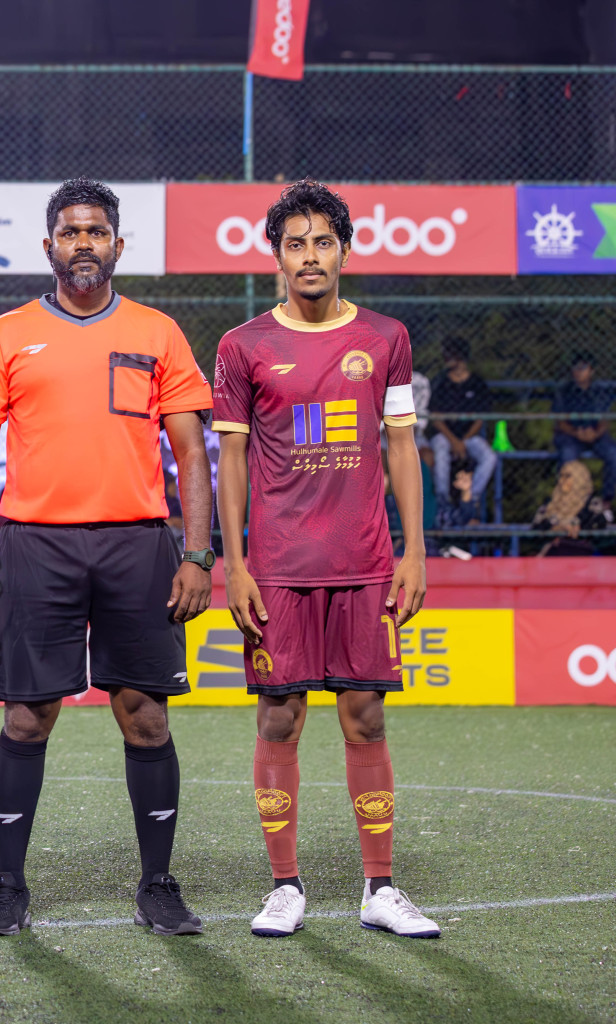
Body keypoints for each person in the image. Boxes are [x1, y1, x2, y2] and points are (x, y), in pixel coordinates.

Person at [0, 179, 215, 937]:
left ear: (118, 246)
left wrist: (197, 552)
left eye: (96, 231)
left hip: (139, 542)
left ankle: (159, 885)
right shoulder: (7, 334)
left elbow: (191, 453)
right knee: (29, 717)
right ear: (49, 247)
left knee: (146, 718)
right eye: (70, 232)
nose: (83, 243)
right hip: (37, 544)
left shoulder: (158, 331)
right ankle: (8, 886)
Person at [213, 178, 439, 940]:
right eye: (294, 243)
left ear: (344, 249)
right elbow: (231, 464)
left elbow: (401, 446)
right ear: (274, 254)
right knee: (279, 717)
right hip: (277, 567)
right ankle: (285, 886)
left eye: (321, 242)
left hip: (367, 561)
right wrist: (235, 563)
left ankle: (380, 887)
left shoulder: (385, 337)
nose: (308, 256)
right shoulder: (242, 347)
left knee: (366, 715)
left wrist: (414, 551)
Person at [426, 338, 496, 512]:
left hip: (469, 437)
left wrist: (464, 440)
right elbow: (435, 418)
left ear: (461, 357)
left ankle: (471, 497)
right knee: (440, 452)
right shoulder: (440, 382)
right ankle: (443, 502)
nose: (446, 359)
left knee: (489, 457)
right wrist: (454, 441)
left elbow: (480, 418)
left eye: (450, 355)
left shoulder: (477, 383)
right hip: (445, 435)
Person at [552, 352, 616, 500]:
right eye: (576, 367)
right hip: (571, 436)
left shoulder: (599, 392)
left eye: (583, 367)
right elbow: (560, 422)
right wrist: (577, 433)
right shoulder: (564, 391)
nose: (579, 371)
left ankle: (606, 502)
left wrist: (595, 433)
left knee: (613, 454)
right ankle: (568, 499)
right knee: (567, 455)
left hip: (595, 435)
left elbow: (605, 420)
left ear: (591, 371)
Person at [531, 460, 613, 557]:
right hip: (554, 552)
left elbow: (599, 524)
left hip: (582, 552)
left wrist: (575, 526)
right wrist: (555, 528)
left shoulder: (592, 502)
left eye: (567, 476)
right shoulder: (551, 502)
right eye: (561, 476)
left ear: (580, 478)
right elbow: (536, 527)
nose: (562, 480)